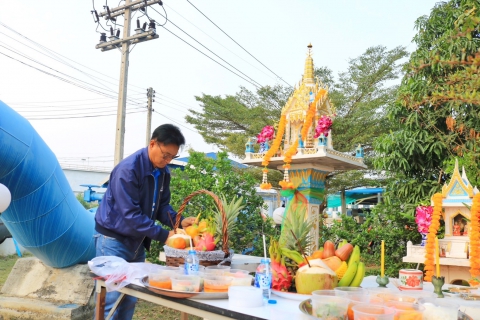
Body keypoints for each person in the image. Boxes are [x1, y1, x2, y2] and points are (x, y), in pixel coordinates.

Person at [93, 124, 196, 320]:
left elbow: (162, 206)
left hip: (137, 241)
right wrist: (165, 236)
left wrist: (179, 222)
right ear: (152, 144)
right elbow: (130, 214)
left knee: (130, 298)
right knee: (111, 301)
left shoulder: (162, 172)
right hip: (113, 240)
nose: (167, 161)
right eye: (165, 155)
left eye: (172, 157)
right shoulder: (128, 170)